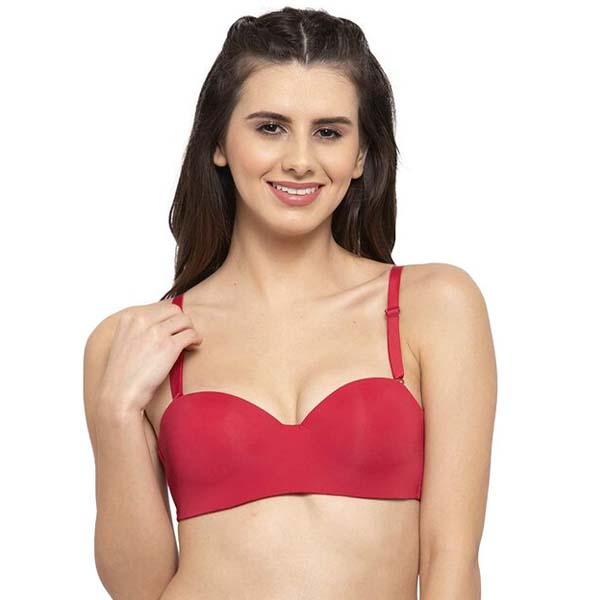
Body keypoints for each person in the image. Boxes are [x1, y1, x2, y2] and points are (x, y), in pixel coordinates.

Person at [83, 7, 497, 599]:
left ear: (361, 156)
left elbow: (451, 558)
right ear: (219, 142)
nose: (300, 159)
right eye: (270, 127)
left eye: (329, 132)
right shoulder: (135, 341)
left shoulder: (433, 306)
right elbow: (139, 589)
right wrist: (115, 412)